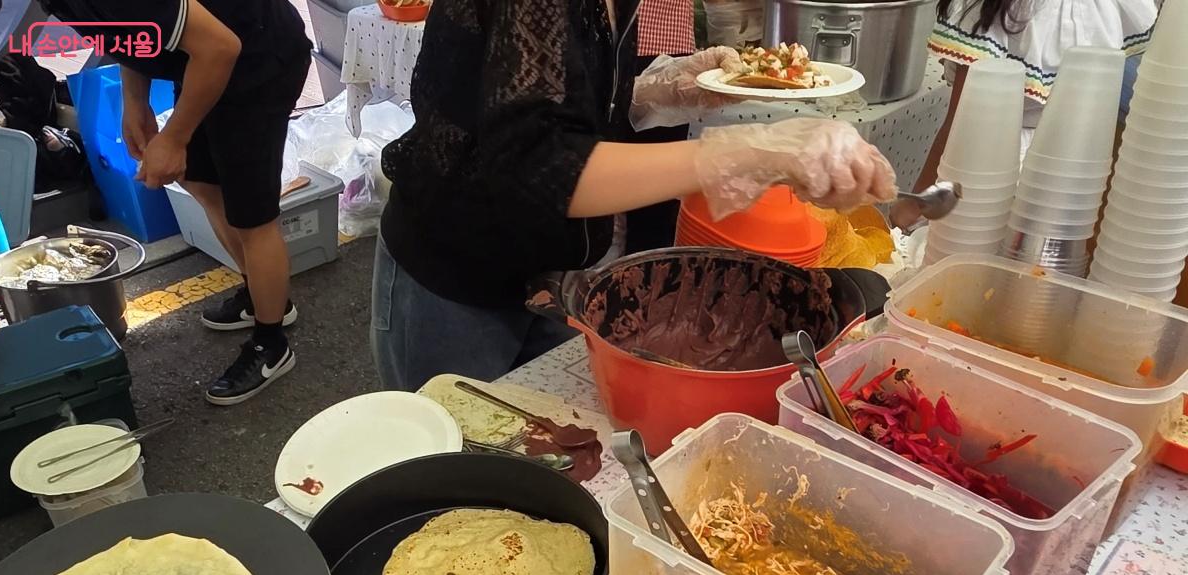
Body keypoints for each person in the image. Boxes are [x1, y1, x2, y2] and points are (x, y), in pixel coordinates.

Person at [374, 0, 897, 391]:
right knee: (455, 484)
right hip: (455, 275)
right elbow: (538, 165)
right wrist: (750, 153)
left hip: (552, 272)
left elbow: (546, 102)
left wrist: (655, 93)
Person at [0, 0, 312, 405]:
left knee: (253, 217)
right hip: (208, 58)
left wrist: (175, 137)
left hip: (258, 60)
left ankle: (271, 343)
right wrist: (135, 103)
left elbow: (220, 47)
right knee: (201, 182)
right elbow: (132, 32)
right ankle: (263, 294)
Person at [919, 0, 1160, 186]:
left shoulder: (1001, 9)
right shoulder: (1104, 9)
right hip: (1071, 169)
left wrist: (916, 202)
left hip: (988, 167)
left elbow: (964, 127)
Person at [624, 0, 698, 254]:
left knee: (654, 185)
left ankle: (638, 271)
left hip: (667, 45)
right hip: (651, 47)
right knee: (653, 187)